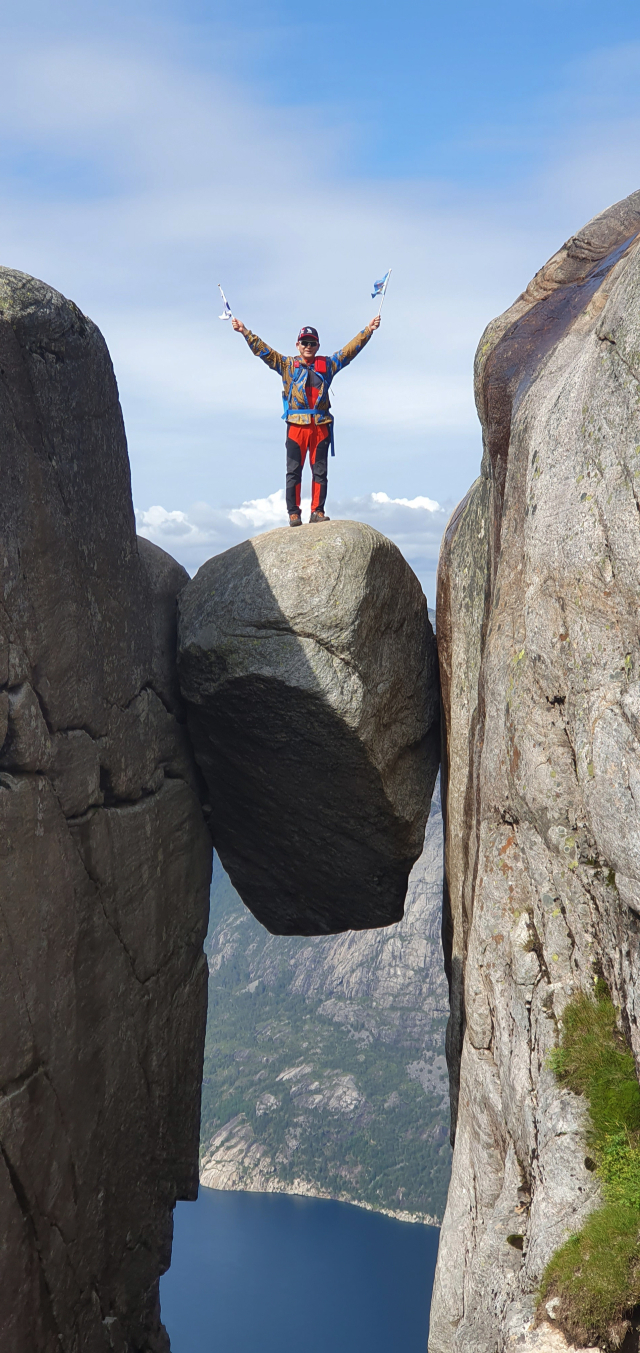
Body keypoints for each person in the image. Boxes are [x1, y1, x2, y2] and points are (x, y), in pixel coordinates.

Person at [231, 314, 381, 526]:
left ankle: (317, 512)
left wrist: (368, 331)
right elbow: (263, 351)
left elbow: (349, 352)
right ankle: (294, 513)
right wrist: (245, 332)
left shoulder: (327, 365)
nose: (308, 346)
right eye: (305, 342)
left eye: (312, 343)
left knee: (320, 472)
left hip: (320, 426)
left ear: (318, 346)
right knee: (293, 472)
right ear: (298, 344)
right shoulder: (287, 365)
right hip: (296, 426)